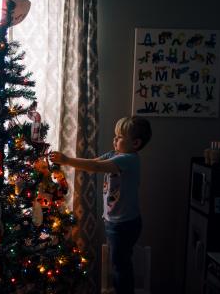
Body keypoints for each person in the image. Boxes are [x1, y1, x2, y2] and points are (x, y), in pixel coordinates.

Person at [50, 116, 152, 294]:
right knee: (119, 263)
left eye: (120, 137)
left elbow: (96, 167)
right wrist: (69, 161)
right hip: (116, 222)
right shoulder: (116, 154)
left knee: (120, 266)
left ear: (135, 143)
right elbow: (95, 162)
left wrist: (67, 160)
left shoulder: (128, 160)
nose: (114, 140)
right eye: (115, 135)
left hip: (123, 224)